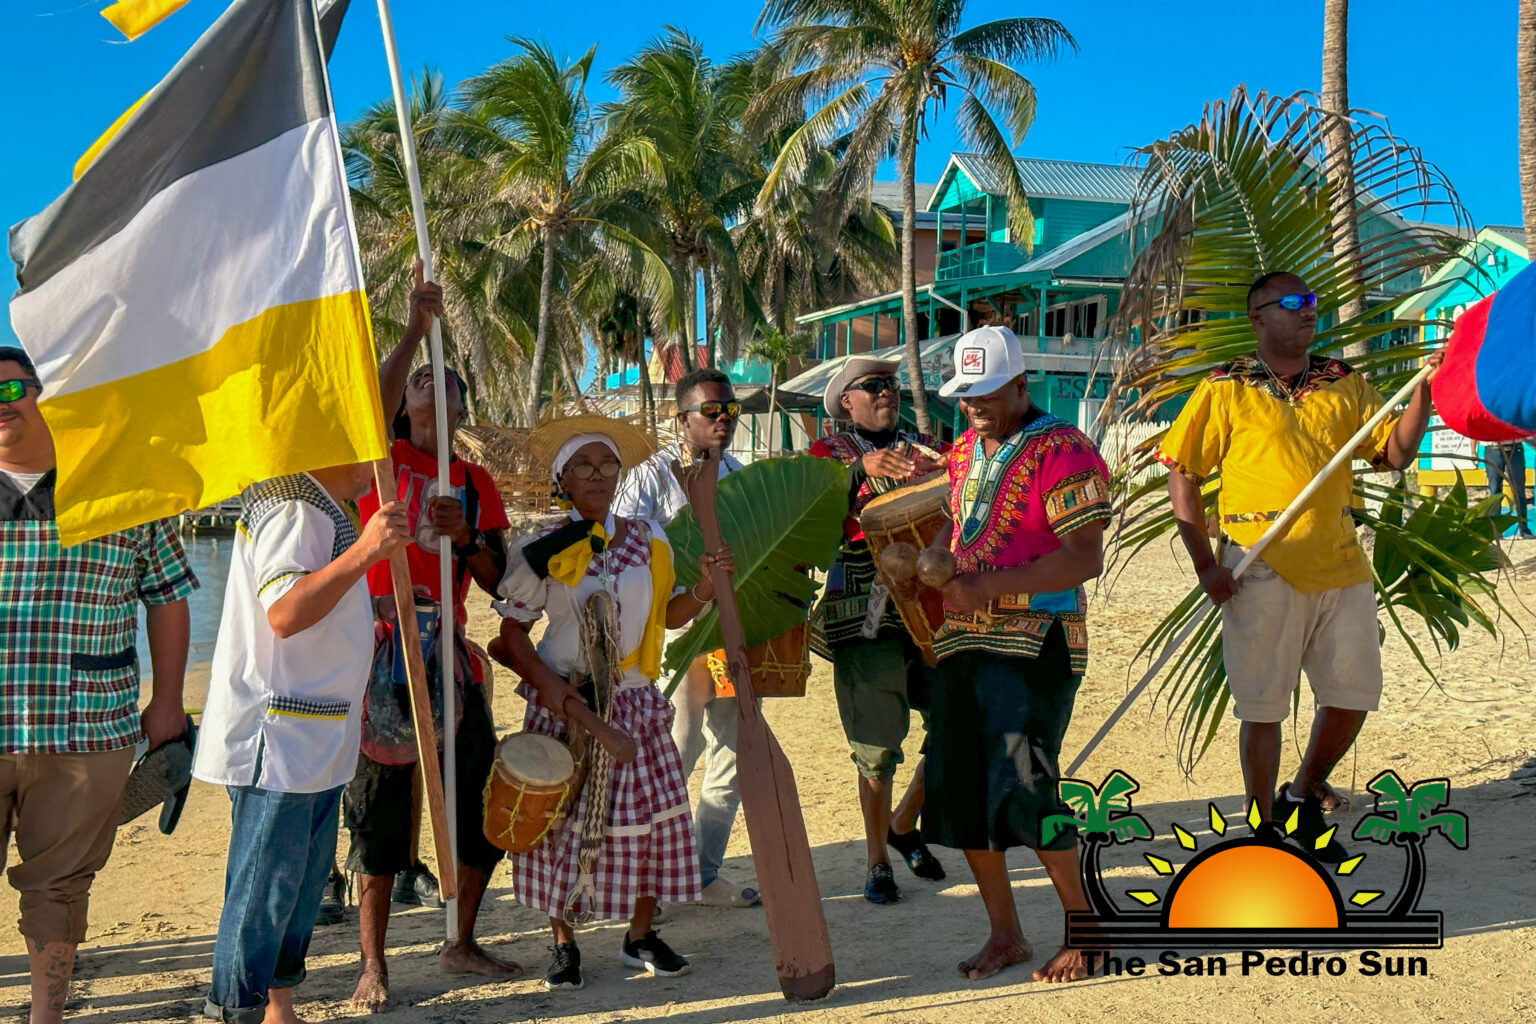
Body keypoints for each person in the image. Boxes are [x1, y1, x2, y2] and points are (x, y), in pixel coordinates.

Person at [1155, 271, 1440, 863]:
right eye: (1291, 302)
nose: (1308, 310)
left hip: (1340, 562)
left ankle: (1304, 792)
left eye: (1311, 301)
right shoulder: (1225, 385)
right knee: (1263, 705)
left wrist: (1423, 391)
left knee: (1352, 694)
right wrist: (1206, 564)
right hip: (1258, 566)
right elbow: (1183, 472)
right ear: (1258, 316)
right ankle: (1262, 827)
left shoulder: (1344, 381)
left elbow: (1393, 453)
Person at [494, 415, 732, 991]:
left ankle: (640, 934)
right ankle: (564, 944)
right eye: (583, 466)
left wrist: (701, 589)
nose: (598, 474)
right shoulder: (541, 548)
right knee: (560, 825)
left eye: (607, 465)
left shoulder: (649, 537)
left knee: (652, 823)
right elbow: (510, 638)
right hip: (567, 700)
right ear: (563, 480)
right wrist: (559, 695)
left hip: (634, 697)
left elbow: (667, 616)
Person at [0, 346, 198, 1024]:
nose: (2, 408)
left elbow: (168, 597)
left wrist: (167, 702)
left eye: (11, 391)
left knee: (59, 887)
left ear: (45, 396)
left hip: (86, 731)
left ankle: (44, 1016)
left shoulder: (119, 486)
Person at [342, 270, 517, 1011]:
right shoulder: (375, 462)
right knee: (380, 813)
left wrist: (466, 537)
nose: (429, 391)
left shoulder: (472, 480)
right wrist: (414, 329)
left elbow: (499, 572)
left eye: (446, 385)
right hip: (378, 649)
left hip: (451, 651)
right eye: (419, 383)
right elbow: (370, 404)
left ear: (463, 408)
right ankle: (373, 964)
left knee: (480, 806)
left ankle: (461, 941)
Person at [924, 325, 1112, 984]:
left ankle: (1087, 934)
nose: (972, 403)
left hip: (1037, 644)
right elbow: (962, 515)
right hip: (965, 640)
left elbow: (1082, 557)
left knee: (1030, 787)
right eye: (965, 392)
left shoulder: (1065, 448)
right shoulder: (965, 448)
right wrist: (942, 553)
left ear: (1019, 382)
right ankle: (1005, 934)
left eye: (985, 391)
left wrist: (985, 585)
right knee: (961, 790)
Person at [194, 466, 410, 1024]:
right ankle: (237, 1011)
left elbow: (317, 599)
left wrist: (369, 604)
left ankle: (278, 1010)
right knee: (264, 893)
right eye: (368, 445)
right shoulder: (294, 503)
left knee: (299, 887)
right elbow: (286, 612)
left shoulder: (319, 503)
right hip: (280, 736)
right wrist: (365, 553)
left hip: (316, 734)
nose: (378, 460)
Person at [612, 368, 760, 909]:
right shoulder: (649, 480)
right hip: (677, 631)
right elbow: (621, 555)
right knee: (678, 749)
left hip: (734, 631)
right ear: (682, 420)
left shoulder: (743, 476)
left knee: (735, 750)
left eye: (731, 410)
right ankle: (649, 878)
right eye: (711, 412)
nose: (723, 420)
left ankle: (700, 872)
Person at [808, 357, 946, 905]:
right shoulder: (828, 455)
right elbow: (812, 515)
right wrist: (862, 471)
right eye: (873, 386)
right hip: (863, 608)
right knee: (875, 746)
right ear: (847, 401)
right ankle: (877, 859)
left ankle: (904, 822)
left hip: (932, 602)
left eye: (891, 385)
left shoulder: (926, 447)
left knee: (958, 721)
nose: (887, 392)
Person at [1485, 440, 1534, 539]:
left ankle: (1524, 529)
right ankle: (1496, 532)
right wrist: (1473, 452)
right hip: (1493, 449)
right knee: (1495, 491)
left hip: (1515, 448)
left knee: (1518, 490)